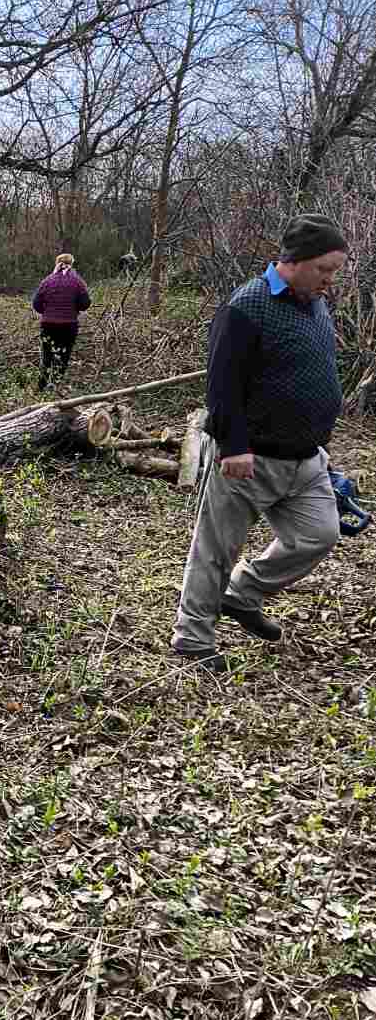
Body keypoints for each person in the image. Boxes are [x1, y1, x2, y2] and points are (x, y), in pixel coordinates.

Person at [171, 214, 348, 675]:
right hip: (250, 457)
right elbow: (221, 386)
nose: (330, 280)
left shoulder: (316, 305)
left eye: (334, 271)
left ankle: (243, 593)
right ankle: (193, 639)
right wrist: (233, 446)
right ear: (295, 260)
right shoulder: (247, 306)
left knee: (319, 534)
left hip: (307, 458)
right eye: (324, 269)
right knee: (216, 550)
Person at [32, 252, 90, 391]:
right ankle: (55, 384)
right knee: (63, 356)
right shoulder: (77, 281)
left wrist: (47, 312)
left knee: (47, 355)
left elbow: (36, 303)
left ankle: (41, 386)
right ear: (71, 264)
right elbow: (85, 303)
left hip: (48, 325)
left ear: (57, 263)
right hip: (69, 325)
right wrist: (75, 308)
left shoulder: (47, 281)